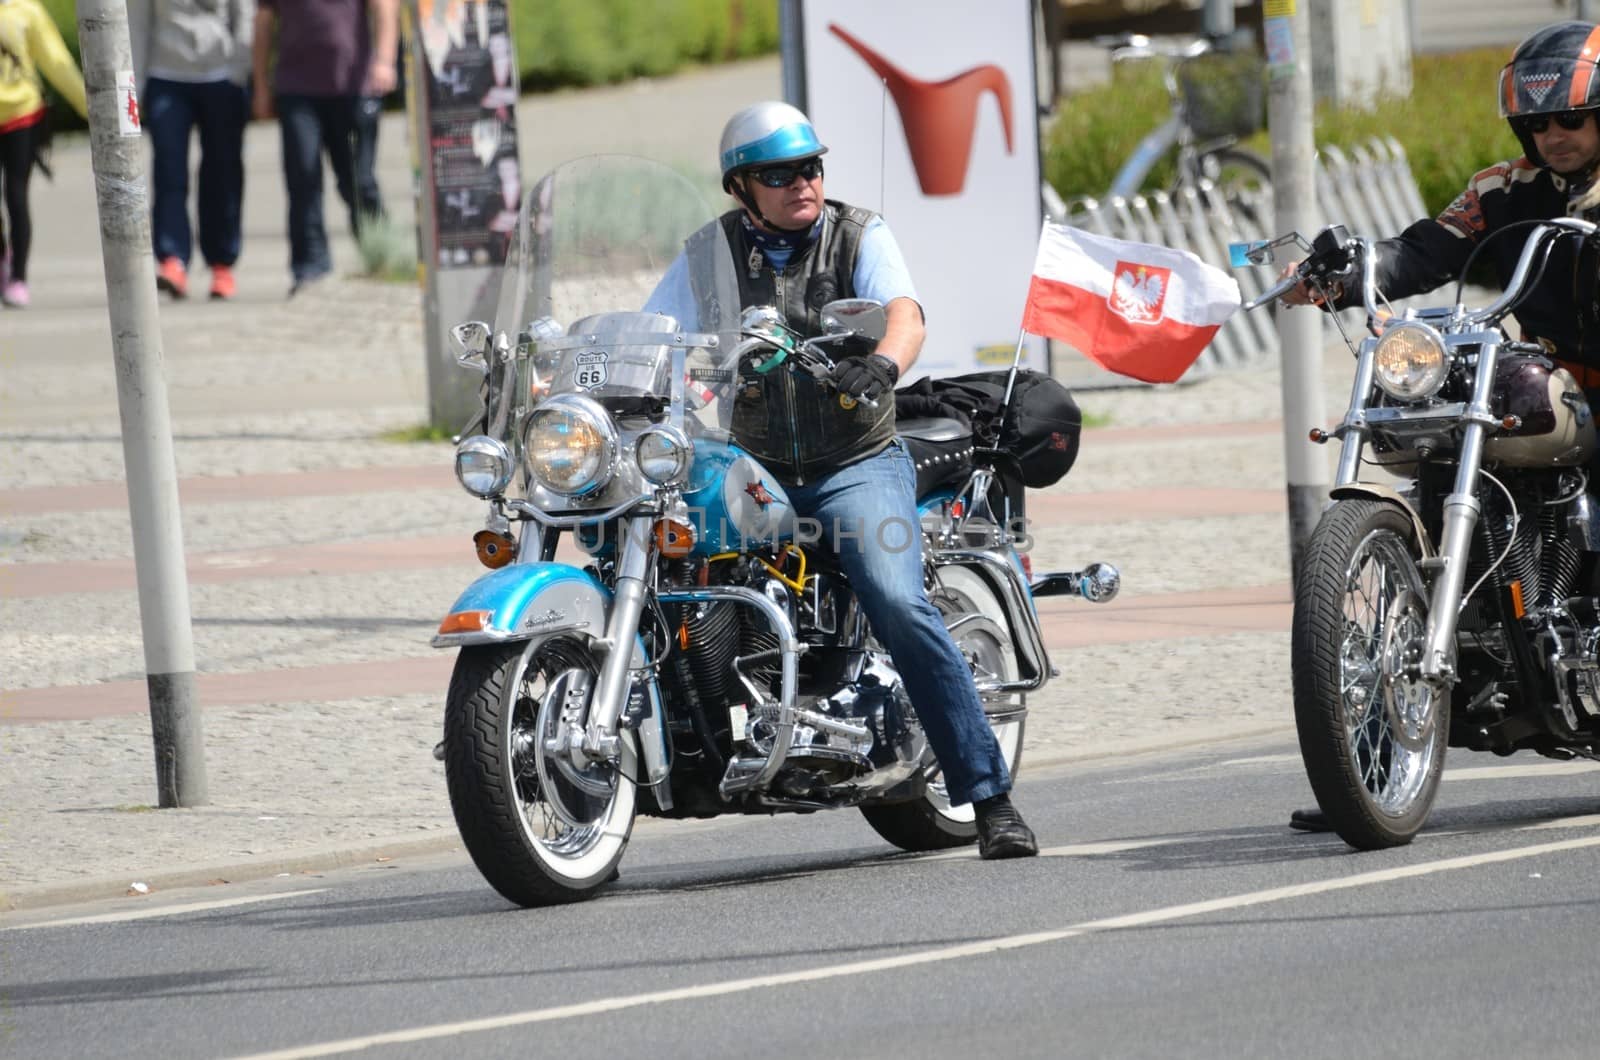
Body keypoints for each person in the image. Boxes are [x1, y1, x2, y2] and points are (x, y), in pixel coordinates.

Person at [645, 101, 1039, 859]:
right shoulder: (710, 253)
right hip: (751, 463)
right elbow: (655, 330)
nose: (802, 183)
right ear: (741, 186)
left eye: (811, 167)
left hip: (852, 463)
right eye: (779, 173)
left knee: (895, 598)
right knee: (670, 555)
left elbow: (905, 313)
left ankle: (990, 799)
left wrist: (884, 363)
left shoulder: (860, 233)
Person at [1281, 21, 1600, 835]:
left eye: (1570, 121)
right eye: (1540, 125)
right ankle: (1363, 766)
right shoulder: (1503, 188)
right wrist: (1349, 271)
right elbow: (1427, 248)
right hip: (1545, 373)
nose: (1554, 137)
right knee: (1438, 444)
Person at [251, 0, 397, 296]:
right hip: (297, 91)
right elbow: (263, 23)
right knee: (303, 177)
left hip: (353, 87)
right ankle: (310, 268)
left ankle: (382, 255)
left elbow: (385, 7)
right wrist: (261, 85)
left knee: (359, 181)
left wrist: (385, 60)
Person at [130, 0, 253, 301]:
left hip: (221, 76)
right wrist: (136, 85)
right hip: (166, 76)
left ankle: (222, 262)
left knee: (222, 171)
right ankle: (173, 260)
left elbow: (245, 13)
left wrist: (238, 69)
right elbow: (137, 22)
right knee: (169, 171)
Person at [0, 0, 87, 309]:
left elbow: (54, 59)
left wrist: (88, 107)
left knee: (16, 194)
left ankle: (19, 277)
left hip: (22, 115)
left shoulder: (26, 10)